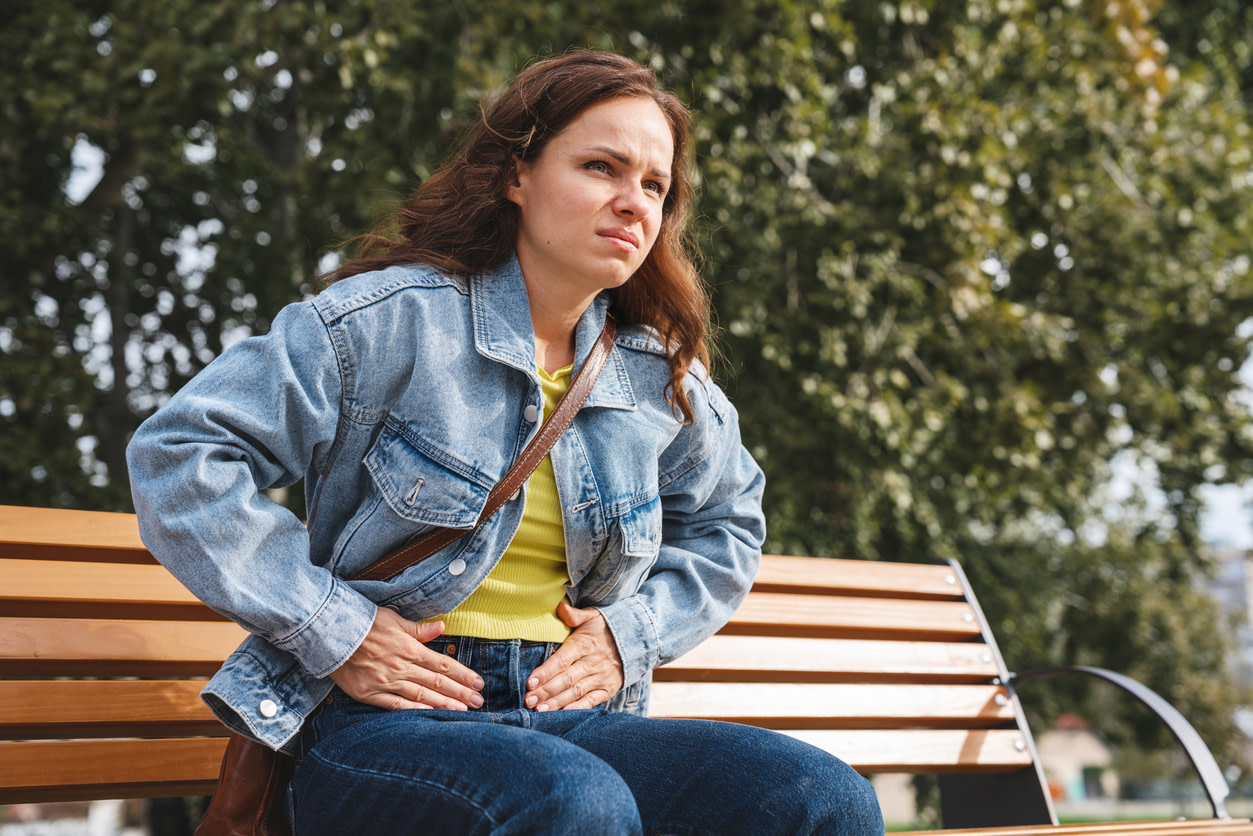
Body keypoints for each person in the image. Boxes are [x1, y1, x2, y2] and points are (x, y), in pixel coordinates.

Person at [127, 50, 884, 835]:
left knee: (817, 799)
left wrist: (632, 638)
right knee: (572, 801)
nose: (632, 202)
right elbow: (181, 454)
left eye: (654, 186)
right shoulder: (387, 322)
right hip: (380, 725)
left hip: (571, 718)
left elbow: (728, 520)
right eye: (601, 166)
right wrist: (335, 629)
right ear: (515, 175)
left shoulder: (658, 379)